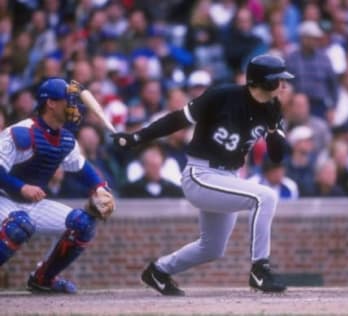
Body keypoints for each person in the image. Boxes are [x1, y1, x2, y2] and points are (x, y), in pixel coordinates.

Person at [111, 54, 294, 295]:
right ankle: (260, 270)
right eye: (278, 79)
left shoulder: (273, 108)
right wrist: (137, 137)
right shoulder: (222, 96)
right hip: (200, 174)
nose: (283, 85)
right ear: (261, 81)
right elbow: (178, 119)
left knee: (212, 248)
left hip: (228, 177)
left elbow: (278, 156)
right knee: (266, 197)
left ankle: (158, 271)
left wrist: (273, 128)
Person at [0, 78, 115, 294]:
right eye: (68, 101)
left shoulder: (64, 138)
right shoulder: (21, 133)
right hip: (4, 197)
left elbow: (81, 168)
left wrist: (99, 187)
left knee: (83, 224)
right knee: (19, 225)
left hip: (30, 203)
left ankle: (44, 279)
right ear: (51, 103)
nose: (74, 107)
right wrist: (21, 187)